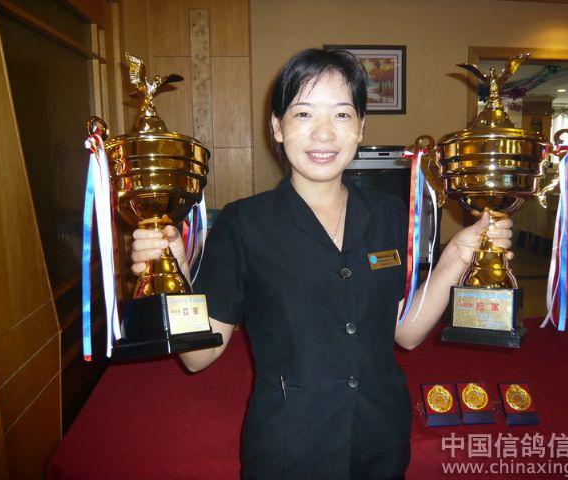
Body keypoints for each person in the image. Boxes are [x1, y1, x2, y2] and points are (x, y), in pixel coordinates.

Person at [130, 49, 514, 480]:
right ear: (277, 127)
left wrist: (457, 256)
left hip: (380, 440)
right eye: (304, 114)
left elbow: (405, 332)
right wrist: (175, 277)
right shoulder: (243, 223)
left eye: (342, 114)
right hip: (290, 447)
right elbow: (198, 358)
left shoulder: (391, 214)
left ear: (361, 126)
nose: (324, 133)